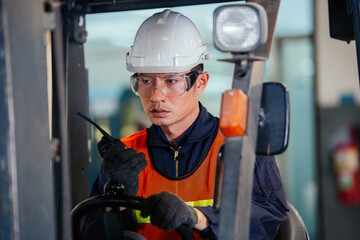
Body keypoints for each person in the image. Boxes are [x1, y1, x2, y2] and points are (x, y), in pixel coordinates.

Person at [82, 9, 289, 240]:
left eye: (171, 81)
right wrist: (117, 197)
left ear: (200, 83)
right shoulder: (125, 156)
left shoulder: (239, 147)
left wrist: (196, 217)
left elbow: (269, 219)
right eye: (146, 81)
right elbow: (88, 233)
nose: (156, 96)